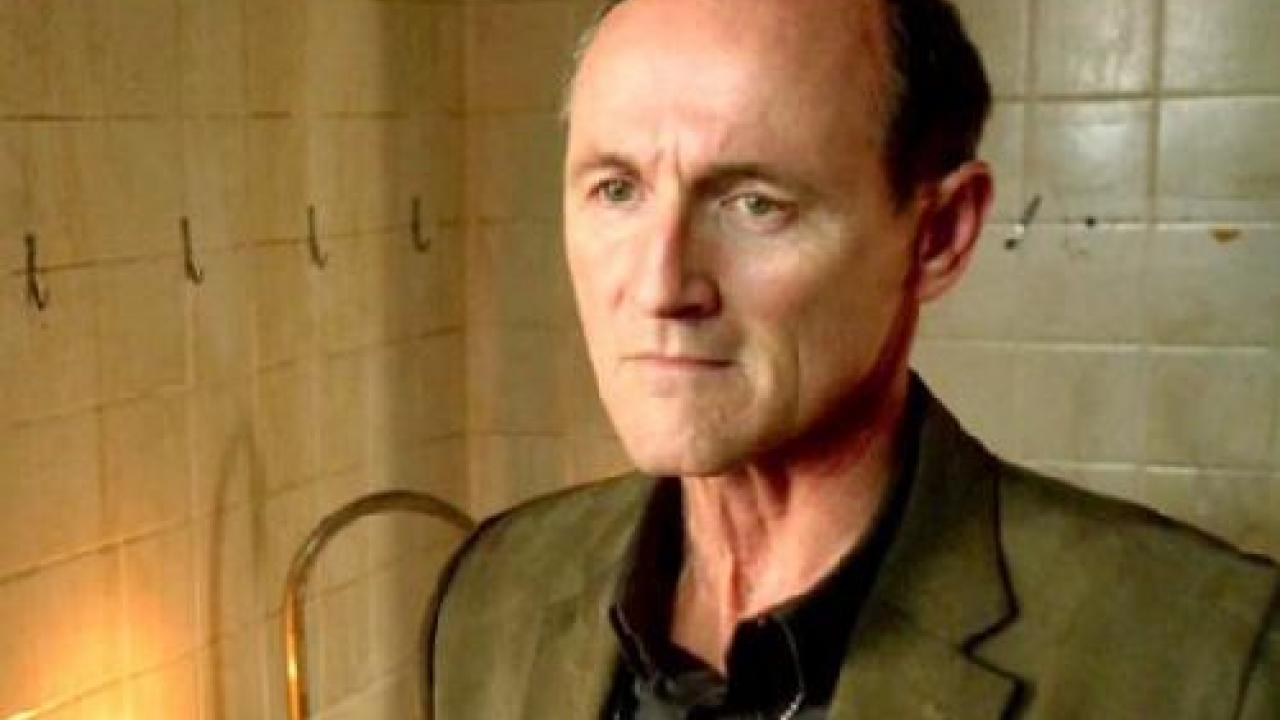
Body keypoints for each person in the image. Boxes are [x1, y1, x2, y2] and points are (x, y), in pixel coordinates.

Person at [424, 0, 1279, 717]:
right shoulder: (492, 595)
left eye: (755, 204)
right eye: (617, 190)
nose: (659, 286)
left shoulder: (1205, 662)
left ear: (938, 236)